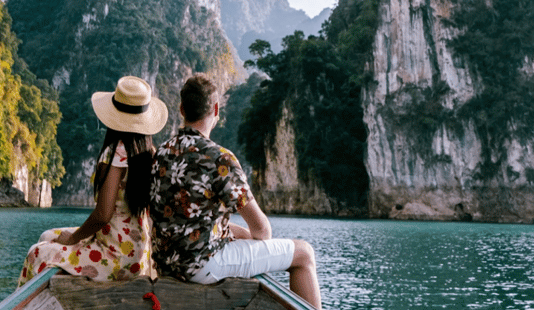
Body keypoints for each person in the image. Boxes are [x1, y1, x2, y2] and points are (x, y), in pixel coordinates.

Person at [149, 74, 322, 308]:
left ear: (181, 109)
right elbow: (262, 230)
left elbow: (186, 220)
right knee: (304, 254)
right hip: (201, 267)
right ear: (216, 109)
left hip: (165, 265)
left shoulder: (160, 154)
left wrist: (233, 232)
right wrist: (247, 235)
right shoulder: (219, 159)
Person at [20, 75, 168, 284]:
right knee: (47, 236)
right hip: (138, 255)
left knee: (36, 253)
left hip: (115, 256)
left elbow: (103, 214)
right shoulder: (149, 153)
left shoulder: (115, 153)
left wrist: (73, 238)